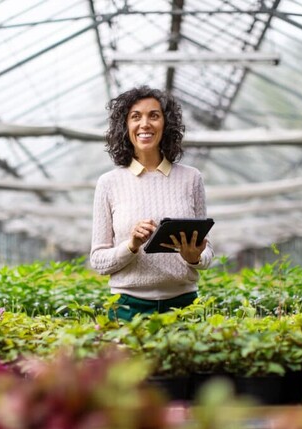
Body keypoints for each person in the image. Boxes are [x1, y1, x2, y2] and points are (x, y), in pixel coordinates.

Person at [89, 86, 215, 321]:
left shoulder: (191, 178)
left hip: (184, 307)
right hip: (127, 308)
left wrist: (193, 257)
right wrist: (131, 245)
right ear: (125, 127)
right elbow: (98, 261)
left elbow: (207, 251)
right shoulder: (109, 183)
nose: (145, 124)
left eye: (154, 116)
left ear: (166, 125)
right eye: (135, 116)